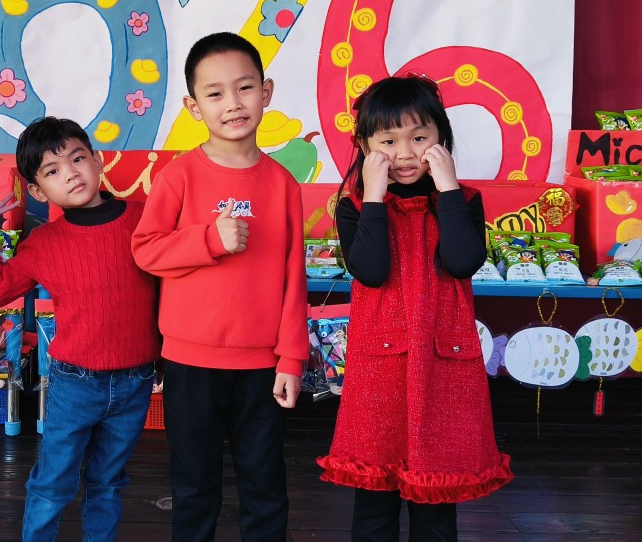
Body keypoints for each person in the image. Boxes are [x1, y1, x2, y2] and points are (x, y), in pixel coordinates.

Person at [317, 74, 514, 542]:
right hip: (380, 368)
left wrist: (448, 189)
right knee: (374, 501)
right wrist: (372, 196)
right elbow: (370, 270)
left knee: (436, 502)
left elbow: (461, 261)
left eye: (420, 137)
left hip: (444, 366)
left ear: (441, 137)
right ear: (364, 145)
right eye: (388, 141)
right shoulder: (354, 205)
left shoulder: (464, 200)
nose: (405, 153)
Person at [131, 31, 307, 542]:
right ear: (194, 107)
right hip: (191, 364)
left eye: (245, 87)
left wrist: (291, 358)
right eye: (215, 93)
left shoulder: (282, 184)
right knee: (194, 486)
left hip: (262, 366)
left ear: (266, 92)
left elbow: (293, 276)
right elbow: (146, 251)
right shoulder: (178, 176)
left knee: (265, 485)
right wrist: (210, 239)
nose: (233, 103)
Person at [0, 116, 161, 542]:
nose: (71, 173)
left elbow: (176, 279)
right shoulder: (44, 243)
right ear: (38, 191)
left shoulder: (145, 218)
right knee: (54, 482)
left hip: (137, 379)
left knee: (108, 480)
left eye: (77, 159)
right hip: (75, 383)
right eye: (52, 171)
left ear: (97, 160)